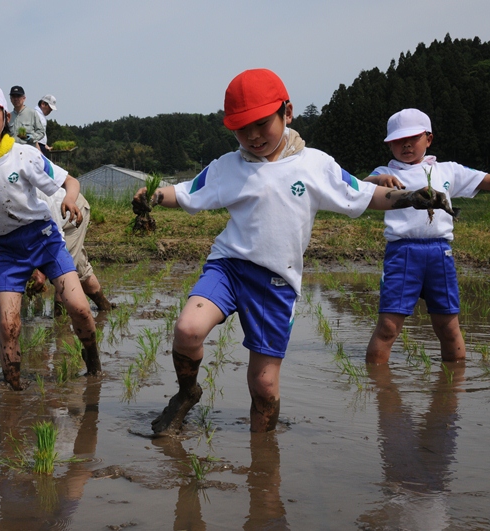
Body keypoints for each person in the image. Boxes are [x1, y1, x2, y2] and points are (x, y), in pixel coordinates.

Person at [135, 69, 454, 435]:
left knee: (264, 386)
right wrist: (154, 195)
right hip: (229, 267)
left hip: (276, 280)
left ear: (287, 112)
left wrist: (410, 197)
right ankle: (187, 393)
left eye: (261, 124)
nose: (253, 136)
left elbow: (365, 194)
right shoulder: (227, 167)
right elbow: (186, 191)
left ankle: (263, 453)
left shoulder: (315, 164)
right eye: (242, 129)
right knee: (188, 330)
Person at [0, 82, 100, 390]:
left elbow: (71, 182)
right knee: (9, 323)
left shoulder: (24, 154)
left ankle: (93, 365)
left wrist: (69, 199)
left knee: (78, 308)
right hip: (8, 250)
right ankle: (13, 390)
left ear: (6, 116)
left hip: (45, 239)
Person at [363, 108, 490, 365]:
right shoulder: (385, 173)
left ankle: (453, 384)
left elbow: (484, 180)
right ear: (389, 145)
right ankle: (377, 384)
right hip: (402, 253)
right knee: (388, 326)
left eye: (413, 138)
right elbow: (362, 186)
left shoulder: (447, 171)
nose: (406, 144)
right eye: (398, 140)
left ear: (428, 139)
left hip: (440, 254)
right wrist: (379, 179)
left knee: (448, 326)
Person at [31, 188, 115, 312]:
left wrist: (41, 270)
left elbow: (56, 236)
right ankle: (105, 308)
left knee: (62, 273)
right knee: (80, 269)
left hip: (73, 213)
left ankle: (60, 321)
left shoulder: (37, 194)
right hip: (55, 222)